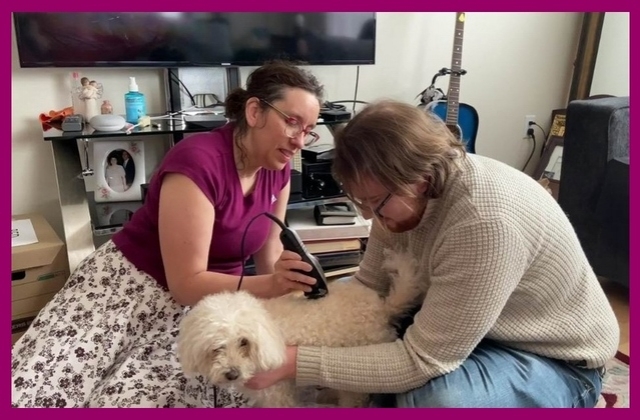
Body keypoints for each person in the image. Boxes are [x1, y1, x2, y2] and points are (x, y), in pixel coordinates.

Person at [244, 99, 620, 408]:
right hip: (476, 331)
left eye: (376, 203)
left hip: (553, 357)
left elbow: (422, 360)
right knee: (381, 371)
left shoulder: (484, 221)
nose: (370, 217)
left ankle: (580, 401)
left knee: (436, 401)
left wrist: (292, 362)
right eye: (362, 203)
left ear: (419, 179)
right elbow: (367, 289)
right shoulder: (399, 198)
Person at [11, 61, 325, 408]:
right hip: (126, 290)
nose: (299, 140)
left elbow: (269, 253)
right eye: (292, 122)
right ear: (254, 111)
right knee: (40, 393)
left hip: (207, 307)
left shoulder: (276, 170)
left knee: (138, 400)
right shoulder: (198, 161)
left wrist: (285, 299)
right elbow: (185, 283)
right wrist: (271, 285)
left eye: (309, 130)